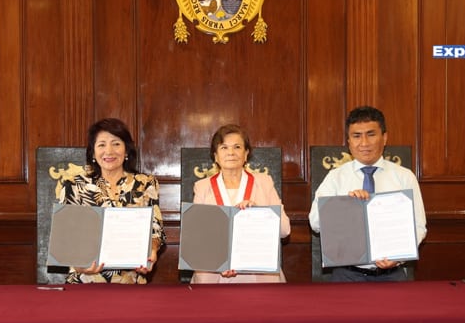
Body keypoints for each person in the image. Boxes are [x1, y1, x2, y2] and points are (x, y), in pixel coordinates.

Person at [309, 106, 427, 282]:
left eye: (371, 134)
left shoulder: (404, 177)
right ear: (349, 142)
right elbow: (315, 223)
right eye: (356, 136)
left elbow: (419, 226)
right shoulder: (335, 177)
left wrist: (398, 257)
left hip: (392, 275)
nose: (364, 143)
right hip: (346, 275)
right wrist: (345, 205)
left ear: (384, 138)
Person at [58, 118, 166, 284]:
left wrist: (151, 252)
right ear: (93, 153)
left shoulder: (145, 183)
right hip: (85, 281)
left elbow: (155, 228)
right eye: (101, 145)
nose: (109, 151)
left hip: (130, 280)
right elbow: (65, 235)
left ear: (126, 150)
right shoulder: (74, 185)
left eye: (116, 144)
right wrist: (79, 265)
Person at [190, 124, 291, 283]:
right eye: (224, 147)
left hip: (258, 274)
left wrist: (260, 213)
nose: (231, 152)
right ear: (215, 156)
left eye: (237, 147)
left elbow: (285, 230)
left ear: (246, 154)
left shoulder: (264, 183)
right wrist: (218, 264)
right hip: (215, 274)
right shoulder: (202, 187)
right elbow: (196, 236)